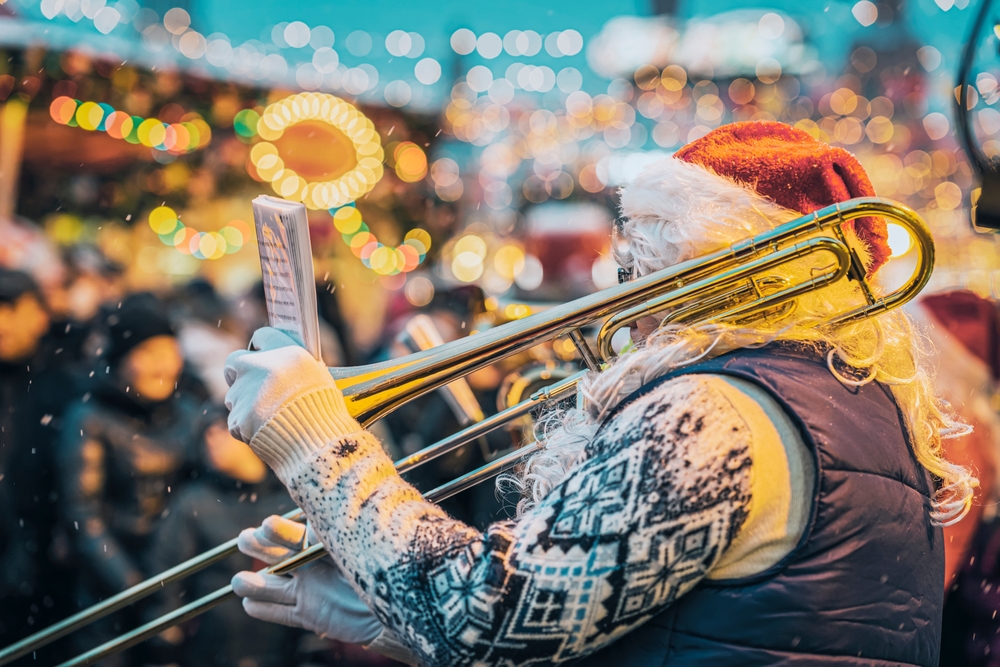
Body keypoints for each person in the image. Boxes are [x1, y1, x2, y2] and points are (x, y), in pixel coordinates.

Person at [225, 122, 974, 666]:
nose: (626, 294)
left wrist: (318, 444)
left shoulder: (715, 416)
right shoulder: (858, 403)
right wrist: (383, 607)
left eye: (644, 256)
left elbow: (488, 618)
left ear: (710, 260)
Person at [57, 293, 201, 664]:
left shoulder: (189, 412)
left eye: (169, 351)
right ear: (122, 361)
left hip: (179, 583)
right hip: (111, 590)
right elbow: (82, 515)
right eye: (148, 354)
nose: (163, 366)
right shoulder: (89, 417)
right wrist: (135, 587)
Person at [144, 410, 302, 667]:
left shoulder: (288, 496)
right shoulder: (194, 501)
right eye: (207, 433)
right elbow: (166, 573)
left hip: (281, 644)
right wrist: (166, 638)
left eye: (221, 430)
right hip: (210, 648)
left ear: (249, 434)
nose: (212, 439)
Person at [0, 269, 80, 659]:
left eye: (13, 308)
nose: (3, 322)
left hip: (48, 558)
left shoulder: (66, 379)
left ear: (39, 314)